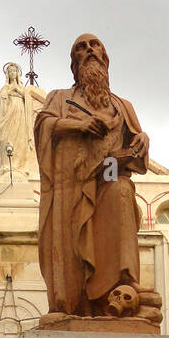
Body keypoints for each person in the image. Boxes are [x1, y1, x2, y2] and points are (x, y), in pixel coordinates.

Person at [33, 34, 153, 319]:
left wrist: (143, 140)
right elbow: (44, 126)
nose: (89, 50)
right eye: (81, 48)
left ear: (105, 58)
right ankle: (73, 304)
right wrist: (80, 125)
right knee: (69, 240)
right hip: (70, 185)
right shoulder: (60, 98)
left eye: (94, 45)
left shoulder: (122, 106)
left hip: (107, 179)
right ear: (74, 63)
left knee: (122, 189)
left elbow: (134, 143)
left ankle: (122, 286)